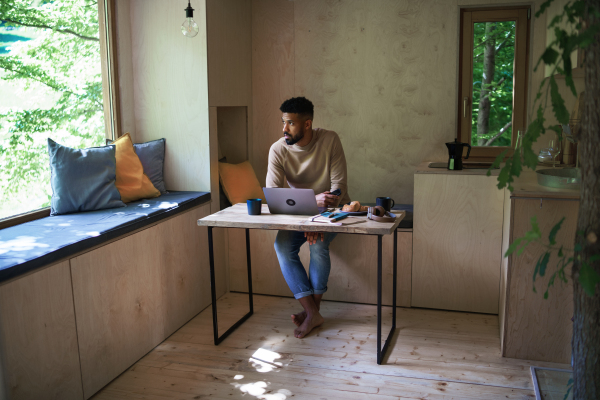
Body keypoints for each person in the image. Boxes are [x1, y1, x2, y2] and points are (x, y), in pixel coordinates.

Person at [266, 96, 350, 339]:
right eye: (283, 122)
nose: (284, 129)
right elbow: (273, 197)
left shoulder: (330, 139)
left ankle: (312, 312)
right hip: (300, 213)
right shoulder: (278, 149)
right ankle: (312, 312)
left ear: (307, 124)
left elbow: (339, 189)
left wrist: (319, 219)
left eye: (290, 123)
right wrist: (311, 212)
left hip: (333, 213)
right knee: (282, 245)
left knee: (318, 243)